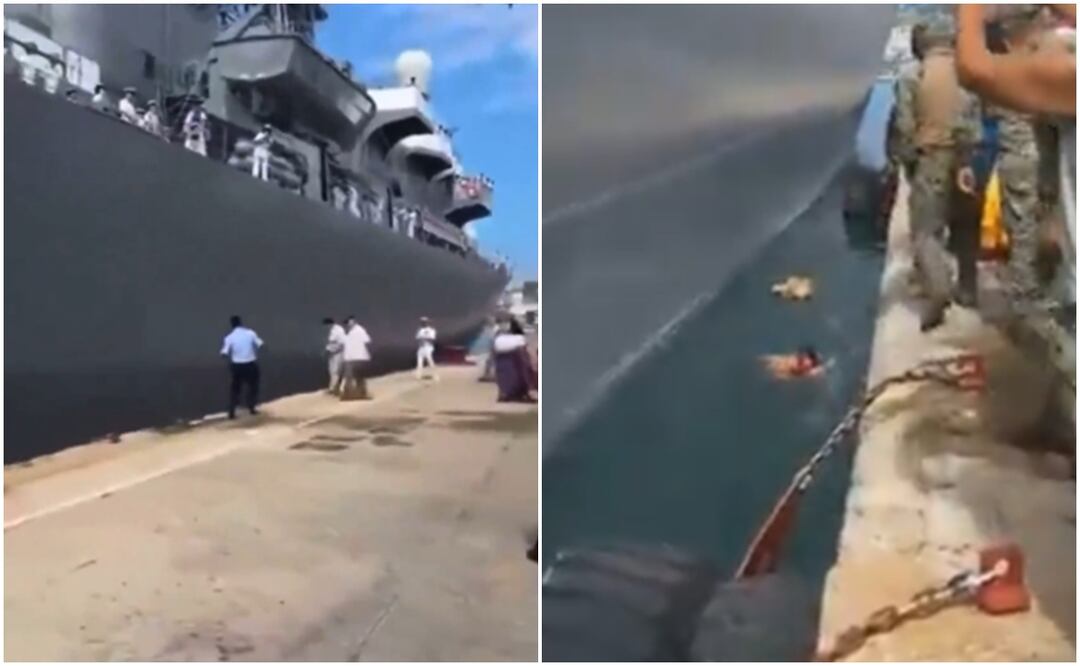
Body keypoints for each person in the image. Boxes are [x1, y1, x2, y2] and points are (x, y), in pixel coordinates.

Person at [895, 16, 983, 330]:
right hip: (970, 159)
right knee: (965, 228)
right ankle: (969, 290)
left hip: (931, 157)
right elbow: (976, 117)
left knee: (926, 231)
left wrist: (908, 162)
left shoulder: (912, 75)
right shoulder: (967, 72)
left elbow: (905, 127)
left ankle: (939, 290)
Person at [220, 315, 264, 419]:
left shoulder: (229, 337)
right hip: (250, 364)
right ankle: (251, 407)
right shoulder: (250, 333)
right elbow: (261, 344)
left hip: (237, 366)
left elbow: (224, 353)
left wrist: (228, 362)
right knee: (253, 386)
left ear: (232, 325)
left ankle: (232, 411)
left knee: (235, 389)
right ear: (241, 322)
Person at [492, 318, 536, 402]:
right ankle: (520, 392)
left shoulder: (499, 337)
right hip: (514, 353)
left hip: (504, 354)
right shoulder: (518, 338)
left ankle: (506, 393)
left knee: (505, 373)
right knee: (521, 371)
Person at [341, 315, 372, 400]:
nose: (348, 324)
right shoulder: (348, 332)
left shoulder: (359, 330)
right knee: (350, 377)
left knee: (358, 377)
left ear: (353, 321)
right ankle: (350, 395)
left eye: (349, 322)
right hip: (350, 357)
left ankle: (360, 394)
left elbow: (367, 340)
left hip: (359, 357)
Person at [323, 317, 346, 394]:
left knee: (335, 371)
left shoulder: (339, 330)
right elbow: (331, 343)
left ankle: (335, 389)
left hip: (338, 353)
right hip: (333, 354)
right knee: (332, 370)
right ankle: (332, 388)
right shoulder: (333, 330)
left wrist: (335, 351)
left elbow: (342, 343)